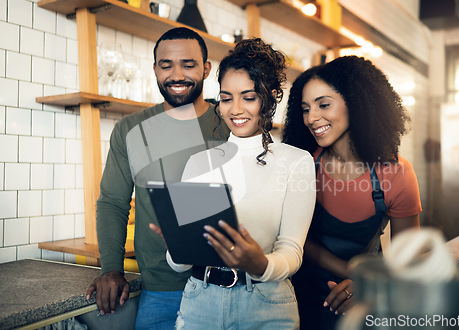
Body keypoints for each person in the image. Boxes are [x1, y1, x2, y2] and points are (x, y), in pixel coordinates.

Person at [151, 38, 316, 329]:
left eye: (248, 97)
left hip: (267, 305)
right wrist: (177, 247)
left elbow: (292, 251)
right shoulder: (200, 163)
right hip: (200, 302)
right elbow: (181, 264)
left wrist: (259, 264)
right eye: (226, 98)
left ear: (271, 96)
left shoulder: (296, 161)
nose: (235, 109)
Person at [85, 27, 230, 329]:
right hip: (161, 291)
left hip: (226, 288)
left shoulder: (230, 125)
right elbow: (113, 202)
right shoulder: (129, 130)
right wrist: (111, 269)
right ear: (154, 69)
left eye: (188, 65)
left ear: (206, 68)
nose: (177, 75)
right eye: (167, 65)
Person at [282, 55, 422, 329]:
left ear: (355, 104)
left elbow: (409, 258)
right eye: (305, 108)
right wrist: (358, 274)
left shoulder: (397, 174)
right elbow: (290, 239)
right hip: (300, 300)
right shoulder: (302, 165)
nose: (311, 118)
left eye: (324, 105)